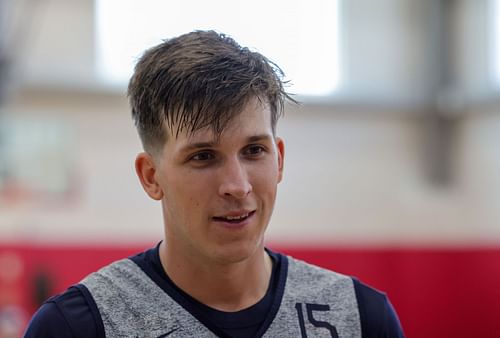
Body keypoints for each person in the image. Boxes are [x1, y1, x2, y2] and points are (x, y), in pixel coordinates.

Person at [24, 30, 405, 338]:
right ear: (151, 176)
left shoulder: (360, 317)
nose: (237, 186)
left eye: (254, 150)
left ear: (280, 161)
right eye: (203, 156)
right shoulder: (78, 327)